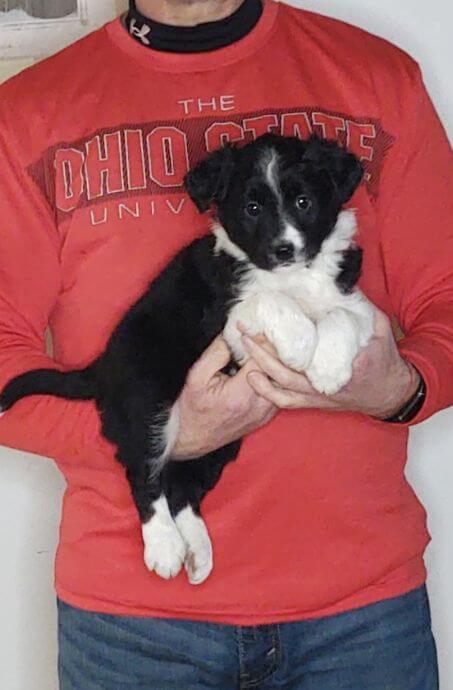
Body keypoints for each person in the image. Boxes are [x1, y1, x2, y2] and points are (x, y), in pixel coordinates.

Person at [0, 0, 451, 687]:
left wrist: (402, 389)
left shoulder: (375, 77)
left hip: (360, 617)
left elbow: (445, 300)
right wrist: (162, 434)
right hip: (134, 624)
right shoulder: (26, 113)